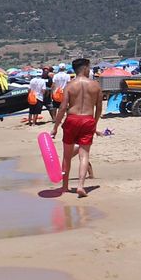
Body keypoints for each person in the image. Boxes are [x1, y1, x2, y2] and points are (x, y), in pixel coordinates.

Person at [49, 58, 102, 197]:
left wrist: (55, 127)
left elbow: (62, 107)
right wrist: (94, 124)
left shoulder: (69, 86)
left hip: (72, 119)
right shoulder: (95, 85)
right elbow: (99, 109)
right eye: (89, 67)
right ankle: (80, 186)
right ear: (84, 68)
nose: (90, 69)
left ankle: (65, 186)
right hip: (88, 119)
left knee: (67, 156)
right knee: (84, 155)